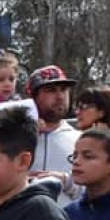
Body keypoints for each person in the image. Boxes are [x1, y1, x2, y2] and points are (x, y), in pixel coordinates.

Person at [26, 65, 81, 203]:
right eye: (51, 90)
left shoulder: (81, 139)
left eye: (63, 90)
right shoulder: (14, 138)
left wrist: (66, 181)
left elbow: (96, 189)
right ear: (33, 97)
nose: (60, 96)